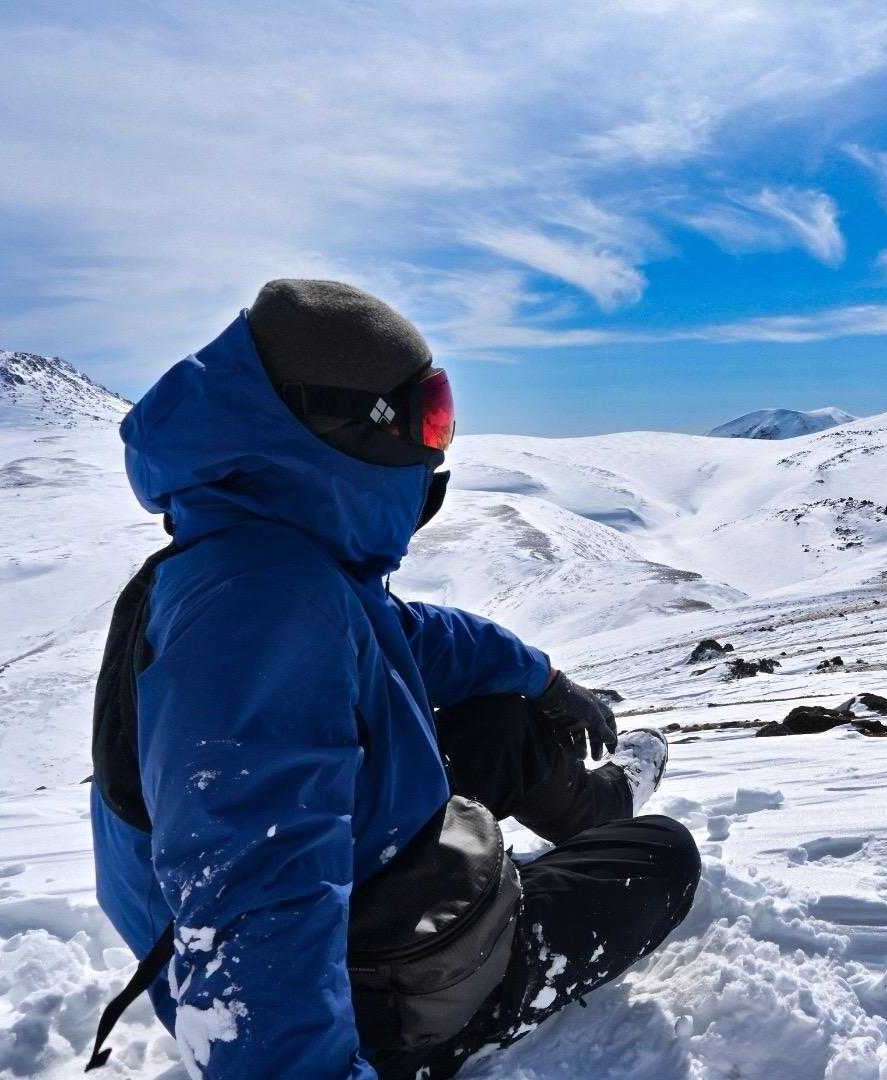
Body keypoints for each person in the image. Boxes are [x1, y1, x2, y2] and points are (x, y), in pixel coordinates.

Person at [88, 280, 699, 1079]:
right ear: (349, 430)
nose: (440, 446)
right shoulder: (261, 610)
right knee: (663, 855)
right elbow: (255, 897)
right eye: (430, 414)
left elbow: (417, 637)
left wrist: (544, 678)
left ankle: (593, 804)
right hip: (377, 988)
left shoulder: (268, 553)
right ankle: (486, 968)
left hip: (368, 888)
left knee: (499, 717)